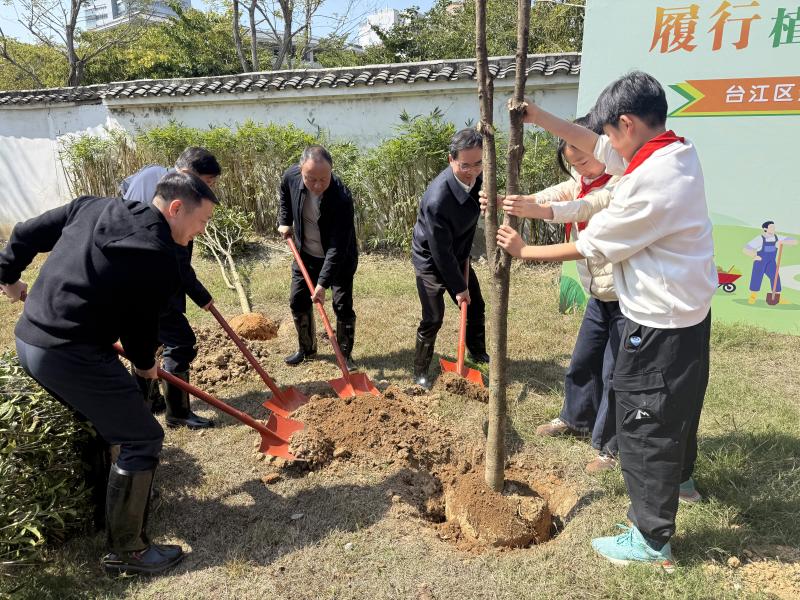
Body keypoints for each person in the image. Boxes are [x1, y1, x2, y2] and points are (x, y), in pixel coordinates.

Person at [496, 72, 716, 569]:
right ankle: (681, 480)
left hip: (657, 323)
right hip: (688, 316)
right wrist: (538, 117)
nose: (605, 147)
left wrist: (525, 251)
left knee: (643, 424)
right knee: (678, 407)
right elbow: (594, 148)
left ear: (628, 123)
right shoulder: (673, 152)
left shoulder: (649, 185)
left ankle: (651, 539)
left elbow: (591, 242)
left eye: (611, 133)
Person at [0, 172, 219, 575]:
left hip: (29, 340)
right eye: (201, 221)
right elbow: (140, 327)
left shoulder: (93, 205)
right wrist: (144, 366)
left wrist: (7, 274)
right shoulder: (158, 254)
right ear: (175, 208)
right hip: (69, 352)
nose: (201, 231)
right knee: (143, 436)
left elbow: (27, 232)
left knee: (104, 422)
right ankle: (127, 552)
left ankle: (110, 507)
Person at [480, 115, 621, 474]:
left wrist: (536, 213)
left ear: (603, 147)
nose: (581, 169)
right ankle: (576, 418)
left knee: (614, 373)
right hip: (599, 294)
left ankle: (609, 447)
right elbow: (558, 193)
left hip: (625, 296)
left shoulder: (621, 183)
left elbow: (583, 208)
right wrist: (511, 201)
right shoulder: (581, 179)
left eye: (585, 160)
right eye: (574, 163)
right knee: (583, 360)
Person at [121, 147, 222, 429]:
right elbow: (177, 263)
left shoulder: (156, 179)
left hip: (148, 280)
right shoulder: (174, 201)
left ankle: (147, 403)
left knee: (149, 341)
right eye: (206, 182)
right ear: (186, 173)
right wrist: (200, 295)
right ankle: (177, 412)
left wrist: (200, 296)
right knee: (180, 341)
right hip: (150, 284)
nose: (207, 190)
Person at [411, 128, 489, 389]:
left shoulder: (479, 178)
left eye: (478, 164)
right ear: (451, 160)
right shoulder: (438, 199)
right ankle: (421, 371)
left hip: (458, 252)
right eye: (465, 165)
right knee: (433, 316)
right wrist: (458, 287)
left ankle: (477, 352)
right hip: (431, 257)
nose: (472, 171)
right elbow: (440, 252)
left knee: (475, 304)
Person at [277, 145, 359, 370]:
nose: (317, 185)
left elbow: (337, 247)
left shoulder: (341, 198)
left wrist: (322, 283)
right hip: (305, 254)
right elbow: (284, 193)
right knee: (297, 300)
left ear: (331, 171)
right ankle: (307, 349)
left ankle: (345, 356)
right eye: (311, 179)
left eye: (323, 179)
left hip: (339, 259)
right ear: (301, 171)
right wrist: (285, 221)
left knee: (342, 305)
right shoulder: (291, 176)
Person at [742, 221, 797, 304]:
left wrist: (782, 242)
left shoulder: (777, 237)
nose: (773, 229)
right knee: (756, 278)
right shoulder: (759, 239)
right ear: (765, 229)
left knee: (775, 278)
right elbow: (746, 249)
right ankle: (753, 296)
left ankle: (777, 297)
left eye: (774, 227)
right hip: (760, 262)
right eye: (771, 227)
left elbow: (794, 241)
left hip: (771, 262)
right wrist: (754, 256)